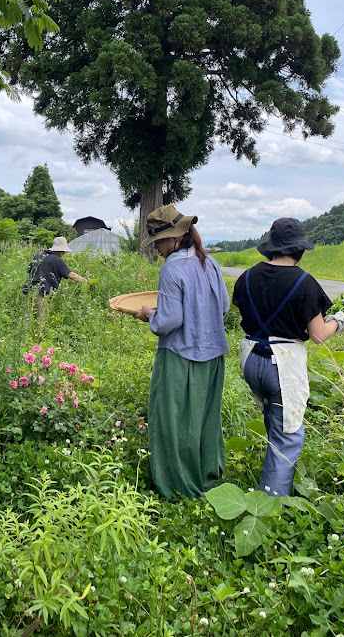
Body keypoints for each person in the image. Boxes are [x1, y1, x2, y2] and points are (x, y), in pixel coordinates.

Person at [232, 217, 344, 497]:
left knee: (275, 422)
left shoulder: (247, 277)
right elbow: (319, 334)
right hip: (282, 365)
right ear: (299, 250)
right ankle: (270, 504)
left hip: (251, 359)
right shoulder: (304, 283)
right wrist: (339, 321)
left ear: (272, 248)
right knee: (287, 437)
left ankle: (271, 485)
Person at [133, 204, 230, 500]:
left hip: (181, 356)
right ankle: (205, 474)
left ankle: (178, 483)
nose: (159, 250)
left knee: (173, 421)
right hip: (213, 355)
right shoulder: (209, 262)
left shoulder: (172, 268)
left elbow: (171, 321)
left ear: (174, 239)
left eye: (159, 243)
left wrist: (151, 314)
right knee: (204, 419)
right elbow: (224, 306)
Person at [23, 236, 87, 316]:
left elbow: (29, 270)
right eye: (64, 251)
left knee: (27, 317)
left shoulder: (39, 255)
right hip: (41, 292)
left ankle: (27, 328)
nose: (64, 253)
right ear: (60, 250)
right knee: (42, 318)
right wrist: (86, 281)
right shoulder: (57, 260)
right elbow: (72, 275)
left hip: (28, 290)